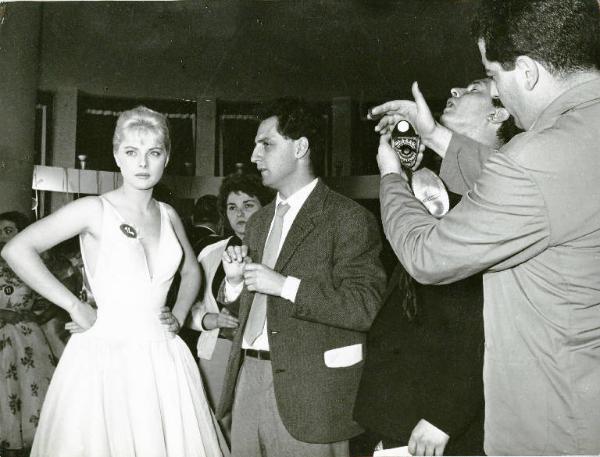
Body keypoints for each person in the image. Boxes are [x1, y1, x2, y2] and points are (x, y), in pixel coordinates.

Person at [374, 0, 600, 454]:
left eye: (493, 77)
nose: (496, 92)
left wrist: (392, 179)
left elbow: (426, 256)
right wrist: (436, 135)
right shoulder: (582, 133)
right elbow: (539, 197)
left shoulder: (537, 156)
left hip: (552, 425)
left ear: (530, 72)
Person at [2, 106, 223, 457]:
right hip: (105, 354)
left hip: (163, 355)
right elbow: (17, 249)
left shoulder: (168, 214)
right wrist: (75, 305)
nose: (143, 163)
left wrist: (179, 316)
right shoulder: (94, 209)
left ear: (166, 158)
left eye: (154, 153)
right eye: (132, 152)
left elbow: (192, 269)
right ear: (117, 156)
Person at [353, 78, 520, 456]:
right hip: (403, 406)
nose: (455, 91)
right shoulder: (444, 183)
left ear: (500, 112)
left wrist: (445, 414)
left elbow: (487, 321)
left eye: (474, 89)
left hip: (443, 419)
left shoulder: (498, 204)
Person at [216, 98, 386, 457]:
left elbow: (364, 306)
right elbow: (247, 302)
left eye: (265, 144)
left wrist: (284, 286)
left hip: (313, 394)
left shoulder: (348, 218)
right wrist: (233, 284)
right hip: (249, 379)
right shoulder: (259, 222)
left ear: (301, 147)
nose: (253, 156)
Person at [186, 172, 274, 439]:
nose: (240, 215)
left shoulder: (278, 253)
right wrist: (209, 320)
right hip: (218, 352)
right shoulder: (211, 253)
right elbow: (190, 308)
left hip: (262, 358)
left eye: (248, 205)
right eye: (232, 207)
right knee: (214, 429)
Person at [0, 211, 58, 457]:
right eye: (0, 232)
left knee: (29, 393)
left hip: (27, 340)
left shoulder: (34, 262)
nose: (3, 236)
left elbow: (50, 300)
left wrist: (32, 316)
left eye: (9, 231)